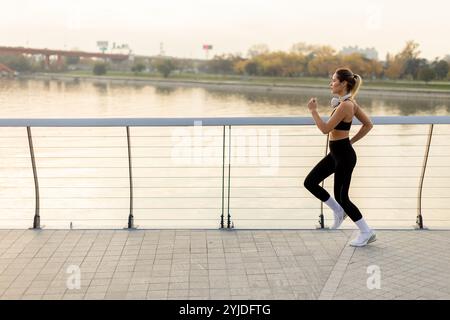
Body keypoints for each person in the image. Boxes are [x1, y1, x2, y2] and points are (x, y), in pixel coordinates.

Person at [303, 67, 376, 247]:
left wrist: (313, 111)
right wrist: (350, 142)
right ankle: (339, 211)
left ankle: (366, 231)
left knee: (343, 197)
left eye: (334, 80)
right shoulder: (349, 103)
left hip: (343, 155)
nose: (331, 83)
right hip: (338, 152)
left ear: (344, 83)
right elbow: (368, 125)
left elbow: (325, 129)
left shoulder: (345, 105)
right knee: (310, 182)